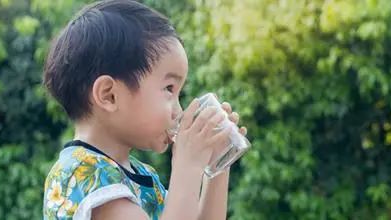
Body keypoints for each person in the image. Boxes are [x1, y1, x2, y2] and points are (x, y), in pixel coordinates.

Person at [42, 0, 247, 219]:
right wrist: (187, 166)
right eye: (169, 89)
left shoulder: (142, 175)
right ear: (109, 95)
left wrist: (217, 165)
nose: (178, 111)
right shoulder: (83, 174)